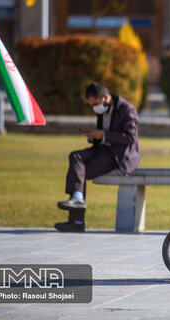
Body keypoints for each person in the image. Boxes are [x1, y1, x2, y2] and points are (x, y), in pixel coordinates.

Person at [55, 82, 140, 232]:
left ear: (105, 97)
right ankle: (77, 201)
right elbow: (103, 133)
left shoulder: (128, 109)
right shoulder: (102, 109)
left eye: (95, 103)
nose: (95, 107)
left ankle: (77, 220)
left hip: (119, 155)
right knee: (75, 157)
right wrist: (94, 135)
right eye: (91, 105)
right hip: (103, 149)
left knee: (78, 174)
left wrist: (104, 135)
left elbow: (130, 137)